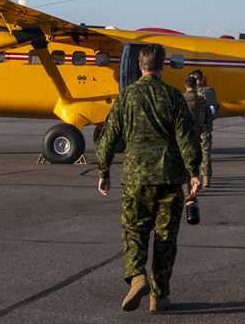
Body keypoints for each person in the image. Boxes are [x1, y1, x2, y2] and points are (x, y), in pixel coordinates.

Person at [97, 44, 202, 313]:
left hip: (135, 178)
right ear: (162, 66)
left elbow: (108, 137)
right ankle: (159, 296)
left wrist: (104, 170)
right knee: (166, 239)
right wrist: (194, 173)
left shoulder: (126, 96)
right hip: (169, 179)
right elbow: (186, 138)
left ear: (140, 66)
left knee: (134, 231)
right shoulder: (174, 96)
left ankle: (136, 276)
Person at [188, 69, 218, 187]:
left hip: (193, 126)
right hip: (206, 126)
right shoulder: (210, 91)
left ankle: (192, 177)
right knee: (206, 151)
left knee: (191, 151)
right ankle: (206, 179)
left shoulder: (191, 93)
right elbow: (214, 110)